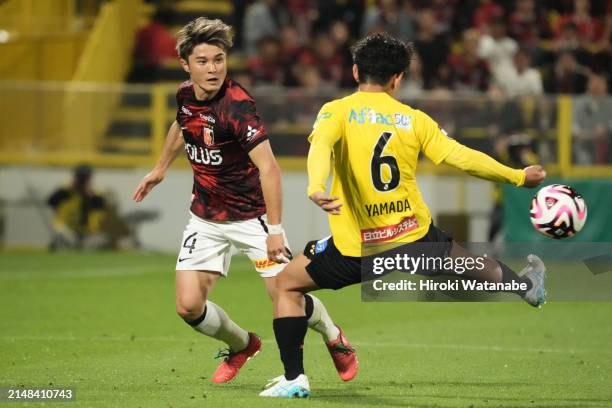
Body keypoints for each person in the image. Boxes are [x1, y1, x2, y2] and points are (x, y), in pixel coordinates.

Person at [259, 33, 547, 398]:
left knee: (287, 285)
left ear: (354, 71)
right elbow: (461, 156)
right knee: (469, 261)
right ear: (398, 78)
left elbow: (321, 148)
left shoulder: (336, 111)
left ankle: (294, 378)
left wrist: (316, 187)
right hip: (412, 237)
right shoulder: (414, 119)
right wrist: (519, 176)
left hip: (357, 247)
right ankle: (525, 287)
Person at [132, 17, 357, 384]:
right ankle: (242, 345)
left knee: (287, 293)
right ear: (186, 65)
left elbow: (270, 169)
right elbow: (181, 123)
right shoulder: (186, 94)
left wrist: (275, 230)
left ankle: (335, 336)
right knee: (188, 306)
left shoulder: (237, 106)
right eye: (203, 61)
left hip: (252, 219)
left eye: (219, 59)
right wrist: (159, 168)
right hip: (205, 217)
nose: (213, 68)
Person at [48, 164, 131, 250]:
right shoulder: (65, 190)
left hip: (87, 233)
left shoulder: (95, 194)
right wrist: (68, 190)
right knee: (60, 232)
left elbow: (103, 208)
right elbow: (50, 202)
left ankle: (79, 249)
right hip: (68, 229)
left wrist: (89, 195)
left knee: (104, 239)